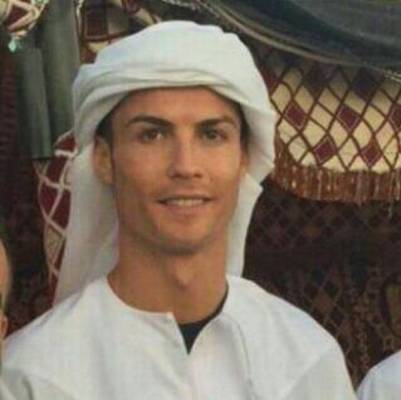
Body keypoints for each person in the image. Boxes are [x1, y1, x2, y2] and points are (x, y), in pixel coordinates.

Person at [1, 21, 357, 399]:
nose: (186, 166)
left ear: (243, 158)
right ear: (104, 160)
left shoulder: (306, 360)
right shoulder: (34, 374)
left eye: (211, 135)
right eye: (152, 134)